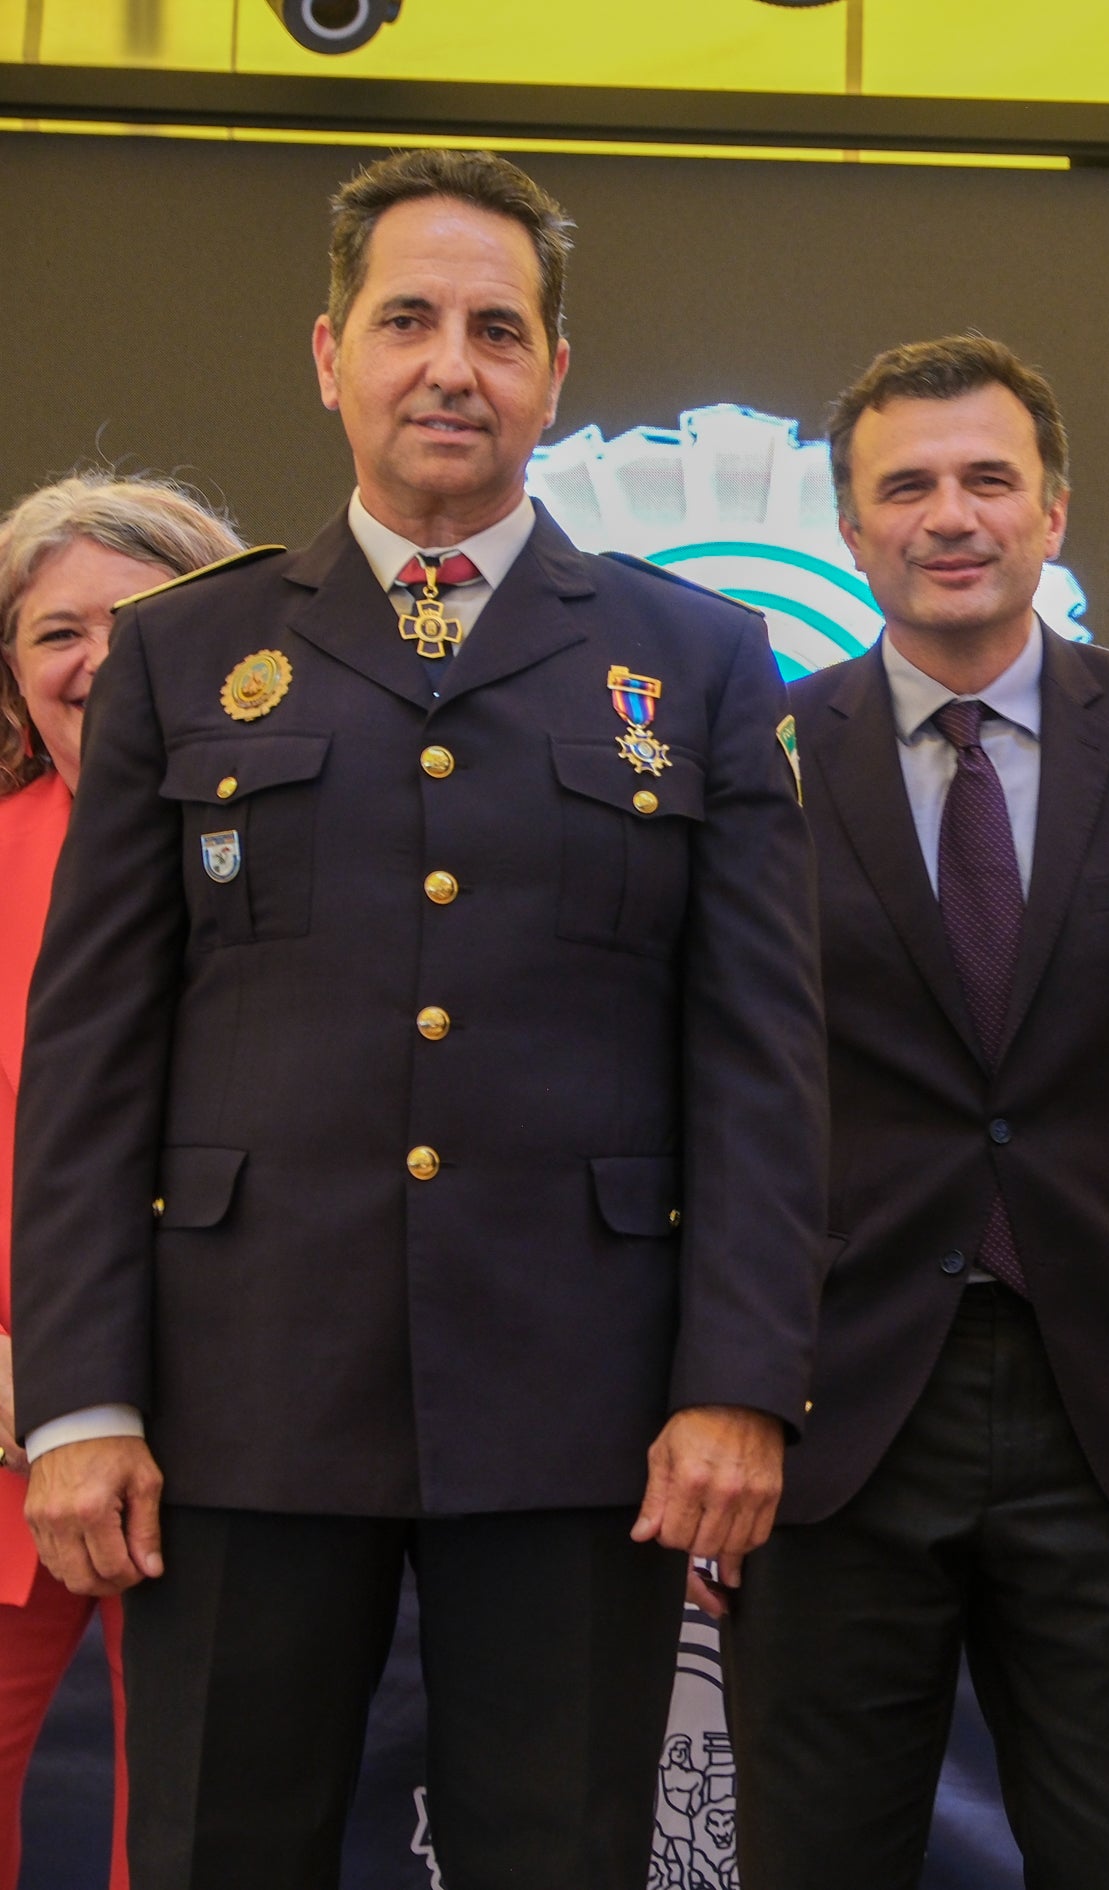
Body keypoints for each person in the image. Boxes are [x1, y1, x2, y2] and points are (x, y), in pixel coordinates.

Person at [10, 149, 825, 1889]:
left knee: (564, 1852)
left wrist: (739, 1382)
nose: (452, 363)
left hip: (584, 1410)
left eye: (497, 328)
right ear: (330, 356)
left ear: (553, 374)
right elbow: (91, 1065)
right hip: (241, 1402)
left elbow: (759, 1064)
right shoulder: (181, 656)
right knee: (228, 1846)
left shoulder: (697, 663)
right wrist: (80, 1401)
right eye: (408, 321)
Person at [719, 335, 1109, 1890]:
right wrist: (709, 1386)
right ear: (851, 532)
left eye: (989, 478)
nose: (952, 515)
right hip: (833, 1420)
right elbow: (709, 1097)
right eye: (906, 486)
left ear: (1052, 511)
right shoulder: (765, 758)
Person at [0, 472, 243, 1890]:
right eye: (54, 631)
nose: (96, 660)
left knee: (198, 1827)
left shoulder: (291, 843)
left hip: (220, 1444)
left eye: (141, 619)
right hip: (6, 1422)